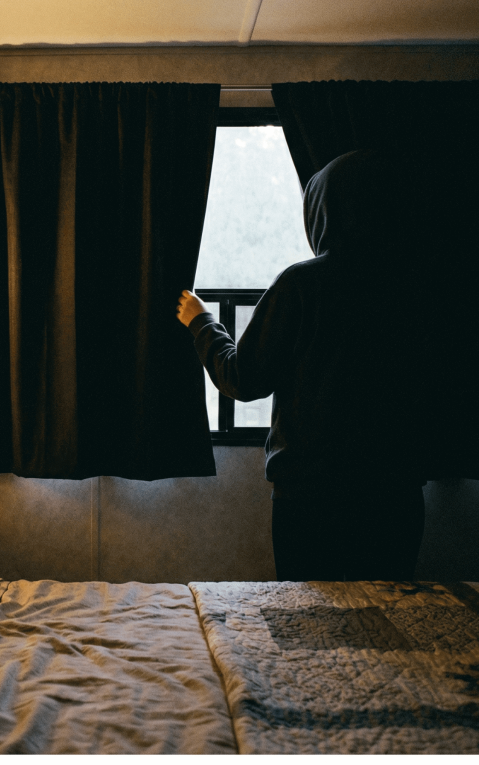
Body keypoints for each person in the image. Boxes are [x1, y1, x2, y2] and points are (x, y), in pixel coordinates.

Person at [177, 149, 426, 582]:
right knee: (388, 630)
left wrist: (201, 323)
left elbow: (244, 378)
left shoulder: (303, 285)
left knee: (308, 629)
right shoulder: (417, 287)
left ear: (321, 211)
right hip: (396, 495)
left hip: (311, 498)